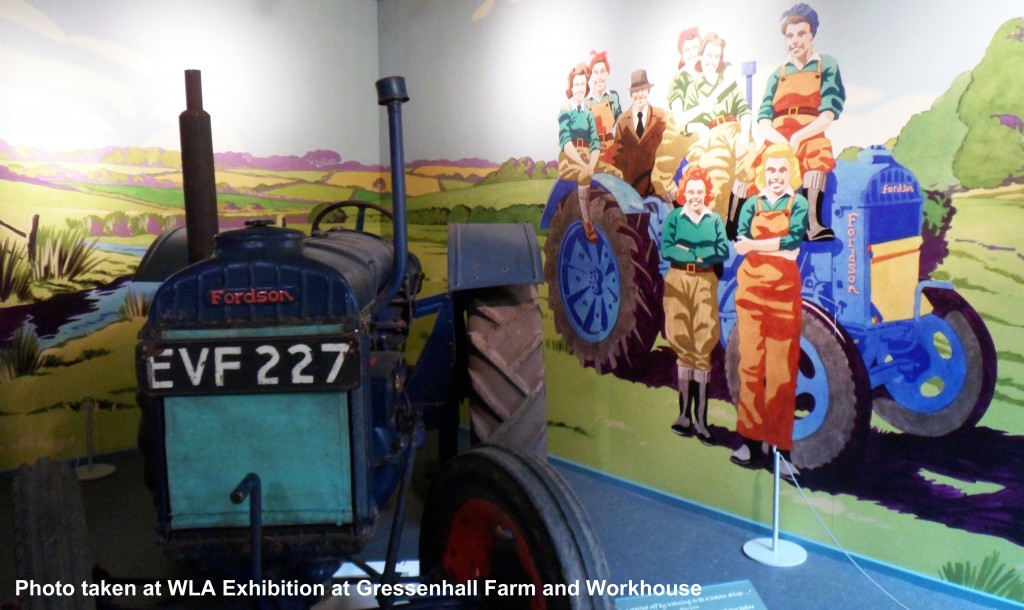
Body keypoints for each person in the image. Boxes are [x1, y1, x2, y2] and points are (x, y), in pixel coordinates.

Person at [729, 143, 808, 472]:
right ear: (763, 172)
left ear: (791, 173)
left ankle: (781, 451)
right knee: (750, 368)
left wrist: (757, 245)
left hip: (783, 296)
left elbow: (791, 248)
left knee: (781, 374)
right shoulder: (751, 204)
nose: (776, 176)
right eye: (771, 170)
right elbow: (738, 243)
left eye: (782, 170)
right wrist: (763, 246)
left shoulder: (798, 204)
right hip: (751, 294)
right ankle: (750, 443)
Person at [750, 3, 845, 241]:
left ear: (812, 34)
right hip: (777, 134)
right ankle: (767, 225)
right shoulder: (777, 74)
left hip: (810, 131)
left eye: (801, 33)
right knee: (762, 166)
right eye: (790, 35)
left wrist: (798, 137)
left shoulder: (826, 65)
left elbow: (828, 115)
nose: (795, 41)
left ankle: (811, 223)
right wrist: (782, 142)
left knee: (817, 155)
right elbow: (763, 120)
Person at [660, 165, 729, 446]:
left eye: (700, 192)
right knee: (681, 339)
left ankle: (701, 420)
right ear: (684, 193)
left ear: (707, 194)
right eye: (691, 191)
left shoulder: (714, 221)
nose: (696, 196)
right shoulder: (676, 217)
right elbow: (667, 248)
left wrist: (695, 252)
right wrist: (699, 253)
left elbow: (722, 250)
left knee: (704, 338)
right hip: (678, 279)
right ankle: (683, 415)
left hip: (704, 281)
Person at [681, 32, 754, 220]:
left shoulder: (728, 84)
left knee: (749, 160)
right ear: (701, 56)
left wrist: (744, 137)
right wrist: (698, 128)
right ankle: (719, 222)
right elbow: (685, 124)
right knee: (716, 175)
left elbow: (745, 111)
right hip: (709, 135)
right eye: (708, 55)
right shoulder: (693, 88)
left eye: (716, 56)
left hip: (733, 129)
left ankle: (735, 218)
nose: (711, 60)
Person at [558, 63, 620, 242]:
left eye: (582, 84)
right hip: (570, 157)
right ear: (571, 87)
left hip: (588, 155)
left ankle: (615, 215)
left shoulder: (587, 113)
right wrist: (585, 165)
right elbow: (566, 141)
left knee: (617, 173)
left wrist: (592, 163)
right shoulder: (566, 109)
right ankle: (587, 221)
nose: (579, 88)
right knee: (584, 175)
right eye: (576, 85)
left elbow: (595, 142)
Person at [611, 69, 673, 197]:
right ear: (631, 94)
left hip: (655, 190)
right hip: (630, 191)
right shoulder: (622, 121)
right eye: (636, 91)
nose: (639, 94)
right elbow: (617, 158)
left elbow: (669, 151)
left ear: (648, 91)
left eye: (643, 89)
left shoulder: (661, 117)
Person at [586, 51, 622, 165]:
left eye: (602, 71)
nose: (599, 77)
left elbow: (620, 121)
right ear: (591, 76)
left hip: (611, 151)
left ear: (607, 73)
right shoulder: (586, 103)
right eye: (595, 72)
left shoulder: (613, 97)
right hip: (592, 152)